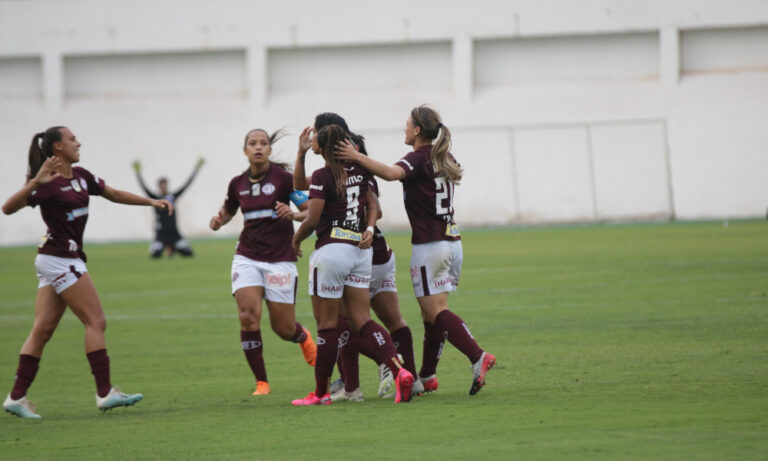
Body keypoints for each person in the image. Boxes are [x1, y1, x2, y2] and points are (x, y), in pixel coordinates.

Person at [2, 126, 174, 418]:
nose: (78, 142)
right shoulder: (47, 183)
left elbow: (114, 194)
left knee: (42, 330)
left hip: (59, 258)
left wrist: (151, 202)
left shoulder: (82, 177)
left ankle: (16, 397)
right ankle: (105, 392)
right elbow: (7, 208)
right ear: (57, 147)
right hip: (59, 258)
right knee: (96, 321)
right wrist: (34, 183)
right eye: (72, 139)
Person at [336, 105, 496, 396]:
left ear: (418, 130)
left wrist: (356, 156)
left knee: (436, 312)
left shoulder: (418, 157)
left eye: (407, 124)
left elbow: (390, 173)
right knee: (429, 314)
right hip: (452, 241)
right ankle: (428, 375)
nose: (404, 128)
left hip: (430, 246)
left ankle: (478, 356)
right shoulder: (444, 155)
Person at [294, 113, 419, 402]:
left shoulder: (325, 175)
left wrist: (295, 239)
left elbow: (313, 218)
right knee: (363, 320)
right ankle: (396, 370)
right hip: (360, 251)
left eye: (315, 134)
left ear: (325, 142)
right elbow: (372, 206)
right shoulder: (360, 170)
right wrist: (369, 227)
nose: (311, 137)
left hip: (336, 251)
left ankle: (324, 393)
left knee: (328, 324)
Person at [209, 128, 317, 396]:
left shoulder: (283, 179)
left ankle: (302, 336)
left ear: (269, 150)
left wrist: (291, 214)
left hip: (280, 260)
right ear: (245, 150)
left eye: (263, 143)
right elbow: (230, 208)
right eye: (252, 143)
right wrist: (219, 219)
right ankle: (262, 383)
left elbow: (309, 210)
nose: (258, 147)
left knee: (282, 328)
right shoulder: (237, 184)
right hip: (247, 257)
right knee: (248, 316)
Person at [132, 157, 204, 258]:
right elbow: (144, 188)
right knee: (155, 255)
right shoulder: (155, 198)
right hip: (161, 236)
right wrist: (138, 173)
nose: (164, 187)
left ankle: (173, 249)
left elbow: (186, 185)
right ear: (159, 186)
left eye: (165, 185)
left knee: (188, 253)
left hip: (174, 234)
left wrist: (196, 169)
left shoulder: (172, 197)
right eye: (162, 185)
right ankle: (166, 248)